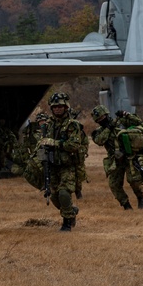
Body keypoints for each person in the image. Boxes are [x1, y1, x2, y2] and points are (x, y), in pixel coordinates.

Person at [37, 92, 87, 231]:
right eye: (55, 107)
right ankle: (71, 211)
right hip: (52, 165)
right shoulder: (47, 125)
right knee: (53, 196)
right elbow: (41, 143)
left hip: (68, 166)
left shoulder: (73, 125)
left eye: (60, 106)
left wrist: (55, 143)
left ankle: (67, 223)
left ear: (65, 107)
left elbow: (74, 145)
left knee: (64, 193)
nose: (58, 109)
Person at [90, 104, 143, 209]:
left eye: (103, 117)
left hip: (129, 156)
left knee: (134, 181)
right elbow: (99, 140)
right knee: (114, 185)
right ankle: (126, 205)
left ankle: (140, 198)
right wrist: (109, 128)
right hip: (115, 160)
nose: (102, 120)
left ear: (107, 114)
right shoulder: (98, 131)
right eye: (99, 119)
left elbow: (138, 122)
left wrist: (126, 114)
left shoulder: (120, 122)